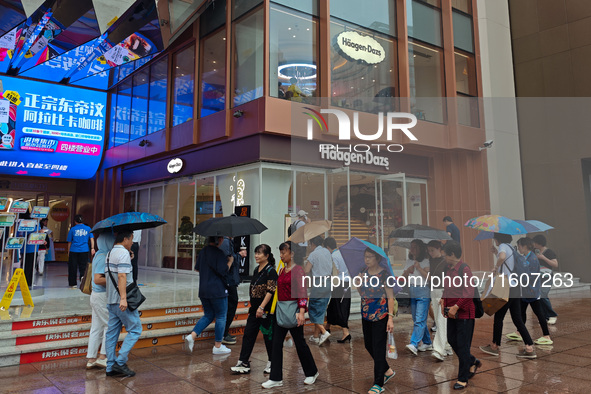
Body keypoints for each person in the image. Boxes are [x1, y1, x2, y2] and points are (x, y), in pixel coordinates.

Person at [263, 241, 318, 389]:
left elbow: (302, 291)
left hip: (293, 311)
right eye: (280, 252)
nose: (281, 255)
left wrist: (301, 312)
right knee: (275, 344)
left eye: (283, 252)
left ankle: (311, 372)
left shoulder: (298, 270)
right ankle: (275, 378)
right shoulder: (282, 270)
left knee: (300, 343)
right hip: (281, 311)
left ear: (292, 253)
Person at [479, 233, 536, 359]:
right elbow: (507, 261)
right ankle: (529, 347)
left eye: (494, 238)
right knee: (517, 319)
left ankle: (494, 346)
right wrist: (496, 253)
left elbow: (503, 257)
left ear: (498, 239)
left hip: (506, 287)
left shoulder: (503, 247)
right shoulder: (510, 247)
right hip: (514, 287)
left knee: (499, 317)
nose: (494, 240)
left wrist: (496, 266)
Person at [231, 244, 278, 375]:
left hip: (265, 310)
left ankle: (272, 362)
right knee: (248, 335)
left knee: (268, 337)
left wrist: (262, 307)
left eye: (259, 253)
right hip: (254, 309)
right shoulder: (257, 269)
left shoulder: (271, 271)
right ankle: (243, 362)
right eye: (255, 253)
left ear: (267, 256)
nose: (256, 255)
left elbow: (271, 291)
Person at [356, 247, 396, 394]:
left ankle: (378, 383)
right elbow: (362, 293)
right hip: (366, 313)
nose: (367, 259)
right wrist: (359, 283)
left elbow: (390, 297)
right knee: (368, 345)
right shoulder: (363, 272)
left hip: (381, 315)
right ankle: (387, 370)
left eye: (370, 257)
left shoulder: (385, 275)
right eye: (365, 256)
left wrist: (390, 318)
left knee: (378, 348)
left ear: (378, 259)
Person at [184, 236, 233, 355]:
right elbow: (223, 271)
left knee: (209, 314)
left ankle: (192, 336)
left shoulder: (203, 252)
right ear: (219, 240)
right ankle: (217, 346)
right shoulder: (219, 253)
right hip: (217, 290)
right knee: (221, 316)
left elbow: (197, 269)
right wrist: (230, 261)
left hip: (204, 289)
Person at [441, 241, 479, 390]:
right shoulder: (448, 269)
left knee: (463, 346)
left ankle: (463, 378)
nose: (443, 256)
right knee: (451, 339)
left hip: (464, 314)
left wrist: (456, 307)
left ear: (451, 254)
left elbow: (468, 293)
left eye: (445, 253)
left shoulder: (464, 269)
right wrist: (443, 300)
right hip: (452, 313)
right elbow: (447, 287)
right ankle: (471, 361)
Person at [105, 231, 141, 377]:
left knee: (111, 333)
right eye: (131, 239)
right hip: (121, 301)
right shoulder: (123, 254)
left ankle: (110, 366)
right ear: (125, 238)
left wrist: (129, 255)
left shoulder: (110, 253)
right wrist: (124, 298)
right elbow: (121, 276)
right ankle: (120, 363)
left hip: (110, 300)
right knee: (136, 329)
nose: (132, 242)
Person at [506, 237, 552, 345]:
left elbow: (527, 274)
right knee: (522, 312)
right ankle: (519, 332)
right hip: (528, 290)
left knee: (539, 313)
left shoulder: (532, 259)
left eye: (519, 246)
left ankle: (546, 336)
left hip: (531, 291)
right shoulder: (527, 257)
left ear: (525, 246)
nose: (519, 249)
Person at [86, 233, 115, 370]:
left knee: (96, 327)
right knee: (110, 325)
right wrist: (115, 280)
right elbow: (98, 279)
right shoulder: (104, 257)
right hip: (102, 295)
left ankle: (91, 358)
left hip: (96, 295)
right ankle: (103, 356)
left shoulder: (98, 254)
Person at [402, 239, 432, 355]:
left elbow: (429, 278)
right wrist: (407, 271)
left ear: (420, 248)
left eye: (415, 247)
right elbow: (403, 277)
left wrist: (419, 268)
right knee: (416, 318)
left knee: (419, 318)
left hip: (423, 290)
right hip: (412, 290)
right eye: (411, 247)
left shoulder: (426, 261)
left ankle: (414, 343)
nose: (412, 249)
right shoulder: (409, 261)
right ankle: (428, 342)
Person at [304, 236, 332, 345]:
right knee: (320, 310)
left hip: (319, 283)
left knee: (312, 309)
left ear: (313, 244)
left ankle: (323, 332)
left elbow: (307, 270)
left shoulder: (313, 254)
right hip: (328, 283)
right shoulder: (327, 252)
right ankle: (316, 336)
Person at [427, 240, 453, 361]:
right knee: (438, 320)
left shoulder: (445, 262)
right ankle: (447, 346)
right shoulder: (431, 260)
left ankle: (439, 350)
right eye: (429, 250)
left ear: (439, 249)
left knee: (442, 320)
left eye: (432, 250)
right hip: (434, 291)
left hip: (443, 292)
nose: (430, 252)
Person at [323, 237, 351, 343]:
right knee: (334, 306)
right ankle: (327, 327)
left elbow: (335, 271)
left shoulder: (333, 256)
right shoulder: (342, 253)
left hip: (338, 283)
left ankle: (345, 332)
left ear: (328, 247)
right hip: (346, 282)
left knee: (339, 307)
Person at [221, 236, 243, 345]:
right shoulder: (226, 242)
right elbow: (229, 259)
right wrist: (239, 255)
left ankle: (223, 332)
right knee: (231, 305)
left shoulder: (227, 241)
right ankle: (223, 333)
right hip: (229, 280)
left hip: (230, 280)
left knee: (230, 305)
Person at [532, 234, 559, 325]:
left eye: (535, 243)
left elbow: (555, 264)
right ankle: (544, 316)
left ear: (540, 243)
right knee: (538, 297)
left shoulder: (549, 252)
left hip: (547, 278)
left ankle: (552, 315)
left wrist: (543, 258)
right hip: (536, 277)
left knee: (542, 294)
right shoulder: (533, 251)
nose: (533, 244)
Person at [67, 215, 95, 288]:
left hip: (74, 250)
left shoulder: (72, 229)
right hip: (84, 250)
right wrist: (92, 248)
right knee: (84, 267)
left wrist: (68, 252)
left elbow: (69, 242)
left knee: (73, 267)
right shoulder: (88, 228)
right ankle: (83, 280)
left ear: (75, 221)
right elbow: (92, 239)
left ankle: (73, 283)